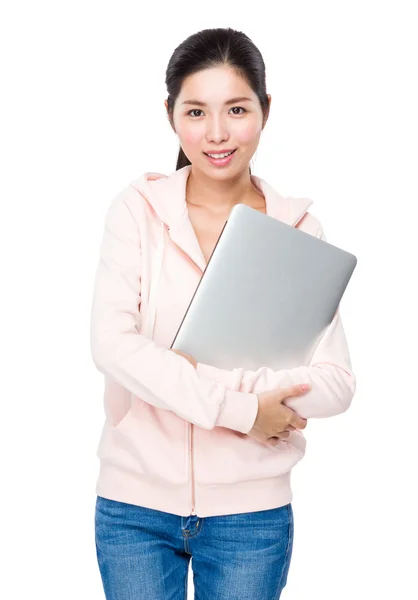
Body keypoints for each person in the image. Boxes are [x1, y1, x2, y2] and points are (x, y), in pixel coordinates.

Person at [91, 26, 356, 600]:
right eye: (195, 111)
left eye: (236, 109)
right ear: (170, 115)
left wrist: (176, 371)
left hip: (251, 519)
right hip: (134, 510)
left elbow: (336, 385)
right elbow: (112, 346)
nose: (216, 134)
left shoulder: (298, 232)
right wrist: (243, 409)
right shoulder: (137, 212)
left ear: (266, 110)